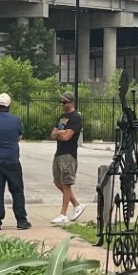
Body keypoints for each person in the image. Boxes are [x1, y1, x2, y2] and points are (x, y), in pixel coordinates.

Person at [0, 92, 30, 230]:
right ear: (9, 105)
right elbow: (19, 137)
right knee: (17, 190)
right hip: (12, 159)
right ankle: (21, 220)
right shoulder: (16, 120)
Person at [49, 91, 85, 225]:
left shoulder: (75, 118)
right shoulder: (62, 117)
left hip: (68, 154)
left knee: (66, 183)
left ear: (71, 102)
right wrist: (60, 132)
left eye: (64, 102)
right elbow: (52, 134)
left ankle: (63, 214)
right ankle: (77, 204)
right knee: (58, 182)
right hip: (59, 153)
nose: (62, 104)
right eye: (61, 102)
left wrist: (60, 133)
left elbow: (66, 137)